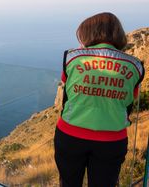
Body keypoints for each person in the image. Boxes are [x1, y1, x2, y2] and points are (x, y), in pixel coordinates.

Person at [54, 12, 145, 187]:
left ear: (88, 33)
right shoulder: (135, 66)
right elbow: (128, 101)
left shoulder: (72, 58)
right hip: (112, 139)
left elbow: (67, 88)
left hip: (70, 134)